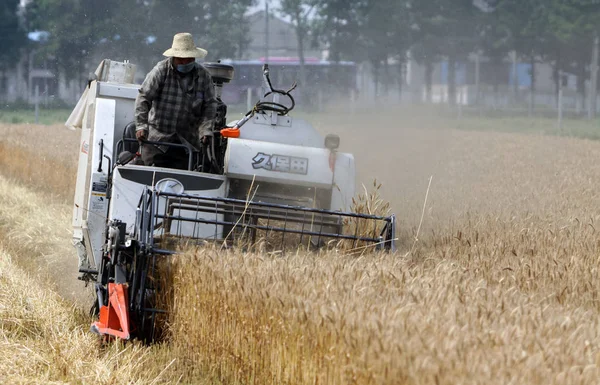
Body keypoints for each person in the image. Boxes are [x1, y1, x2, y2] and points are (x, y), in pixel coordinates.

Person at [135, 32, 217, 169]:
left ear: (194, 58)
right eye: (180, 59)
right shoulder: (161, 71)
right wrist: (141, 126)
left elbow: (210, 106)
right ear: (174, 57)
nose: (184, 62)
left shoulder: (204, 76)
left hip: (187, 143)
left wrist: (205, 130)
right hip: (157, 140)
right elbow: (144, 98)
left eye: (188, 59)